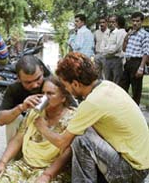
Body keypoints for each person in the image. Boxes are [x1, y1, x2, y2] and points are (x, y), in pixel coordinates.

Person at [34, 52, 149, 182]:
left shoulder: (92, 102)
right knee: (85, 129)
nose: (67, 91)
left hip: (132, 170)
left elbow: (62, 143)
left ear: (76, 84)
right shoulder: (107, 85)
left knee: (81, 140)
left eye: (66, 86)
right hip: (142, 162)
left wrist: (42, 127)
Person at [0, 76, 75, 183]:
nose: (45, 97)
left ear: (63, 98)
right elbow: (18, 138)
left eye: (50, 94)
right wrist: (2, 163)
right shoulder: (35, 112)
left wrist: (47, 175)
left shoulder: (72, 118)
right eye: (43, 93)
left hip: (50, 169)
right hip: (25, 165)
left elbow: (67, 152)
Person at [0, 55, 50, 143]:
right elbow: (1, 120)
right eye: (28, 82)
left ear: (42, 70)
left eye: (38, 79)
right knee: (13, 120)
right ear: (18, 78)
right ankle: (15, 155)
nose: (35, 85)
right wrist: (21, 107)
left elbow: (72, 110)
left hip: (49, 132)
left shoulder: (52, 86)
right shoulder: (13, 89)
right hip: (23, 134)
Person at [119, 12, 149, 105]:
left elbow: (146, 52)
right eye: (133, 21)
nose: (135, 23)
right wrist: (127, 36)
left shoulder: (145, 34)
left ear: (141, 22)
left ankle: (136, 108)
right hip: (128, 62)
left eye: (137, 21)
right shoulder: (131, 33)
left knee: (136, 89)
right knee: (122, 86)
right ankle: (124, 106)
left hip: (137, 62)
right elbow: (124, 49)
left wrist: (141, 67)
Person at [100, 15, 126, 84]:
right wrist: (108, 50)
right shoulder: (107, 33)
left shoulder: (120, 33)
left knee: (116, 82)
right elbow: (101, 47)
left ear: (117, 23)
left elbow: (116, 48)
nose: (111, 24)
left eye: (113, 22)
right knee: (107, 82)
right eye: (109, 22)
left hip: (116, 60)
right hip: (106, 60)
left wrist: (106, 50)